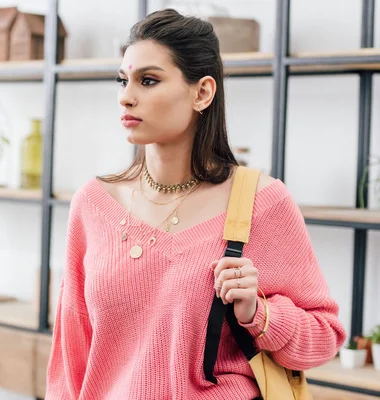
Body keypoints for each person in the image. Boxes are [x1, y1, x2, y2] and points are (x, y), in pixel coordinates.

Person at [45, 8, 346, 400]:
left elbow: (325, 338)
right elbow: (71, 355)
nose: (126, 97)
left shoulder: (261, 202)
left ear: (202, 92)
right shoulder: (93, 204)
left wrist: (259, 313)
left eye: (148, 81)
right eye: (122, 81)